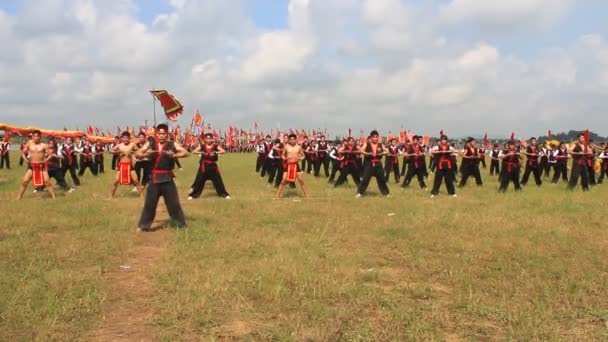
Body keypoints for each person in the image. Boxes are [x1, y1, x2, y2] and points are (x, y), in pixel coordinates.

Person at [135, 124, 189, 232]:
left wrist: (174, 155)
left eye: (163, 133)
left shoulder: (171, 144)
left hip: (167, 178)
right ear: (156, 134)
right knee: (149, 204)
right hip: (154, 178)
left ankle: (181, 224)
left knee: (174, 204)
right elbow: (137, 153)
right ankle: (143, 226)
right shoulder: (150, 143)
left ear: (167, 134)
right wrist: (146, 153)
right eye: (159, 133)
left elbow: (186, 152)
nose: (161, 136)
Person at [188, 133, 231, 199]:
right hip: (204, 166)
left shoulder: (215, 146)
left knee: (218, 181)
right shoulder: (202, 146)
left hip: (213, 166)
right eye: (207, 138)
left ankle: (224, 194)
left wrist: (216, 152)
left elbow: (223, 151)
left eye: (210, 138)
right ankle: (193, 195)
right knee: (199, 180)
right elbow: (194, 151)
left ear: (212, 139)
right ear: (205, 139)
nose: (208, 140)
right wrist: (201, 152)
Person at [16, 130, 56, 199]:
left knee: (47, 182)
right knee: (25, 181)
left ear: (40, 137)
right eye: (34, 136)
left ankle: (54, 197)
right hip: (32, 166)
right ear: (32, 136)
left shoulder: (44, 145)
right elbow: (23, 152)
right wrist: (26, 160)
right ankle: (19, 197)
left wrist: (45, 160)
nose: (36, 138)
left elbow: (50, 155)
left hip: (42, 166)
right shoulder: (29, 144)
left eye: (37, 136)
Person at [110, 131, 144, 198]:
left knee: (136, 181)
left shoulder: (132, 145)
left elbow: (139, 151)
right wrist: (118, 152)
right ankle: (111, 196)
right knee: (116, 181)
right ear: (122, 138)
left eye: (127, 138)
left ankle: (142, 196)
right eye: (124, 138)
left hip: (130, 165)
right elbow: (111, 150)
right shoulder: (119, 145)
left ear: (129, 138)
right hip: (121, 165)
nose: (125, 139)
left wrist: (133, 152)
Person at [356, 130, 390, 197]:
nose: (375, 138)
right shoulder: (367, 144)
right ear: (371, 137)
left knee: (382, 179)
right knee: (365, 179)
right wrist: (367, 153)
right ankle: (359, 193)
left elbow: (387, 151)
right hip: (369, 163)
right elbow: (360, 150)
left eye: (376, 137)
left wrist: (383, 153)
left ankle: (386, 193)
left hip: (378, 164)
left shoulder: (381, 144)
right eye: (374, 137)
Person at [275, 133, 309, 199]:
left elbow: (303, 155)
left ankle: (307, 195)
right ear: (289, 140)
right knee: (283, 180)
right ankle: (277, 195)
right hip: (288, 165)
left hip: (296, 165)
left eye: (293, 139)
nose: (292, 141)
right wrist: (283, 158)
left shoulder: (298, 147)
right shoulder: (286, 146)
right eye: (291, 139)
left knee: (301, 180)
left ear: (296, 140)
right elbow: (283, 155)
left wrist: (300, 158)